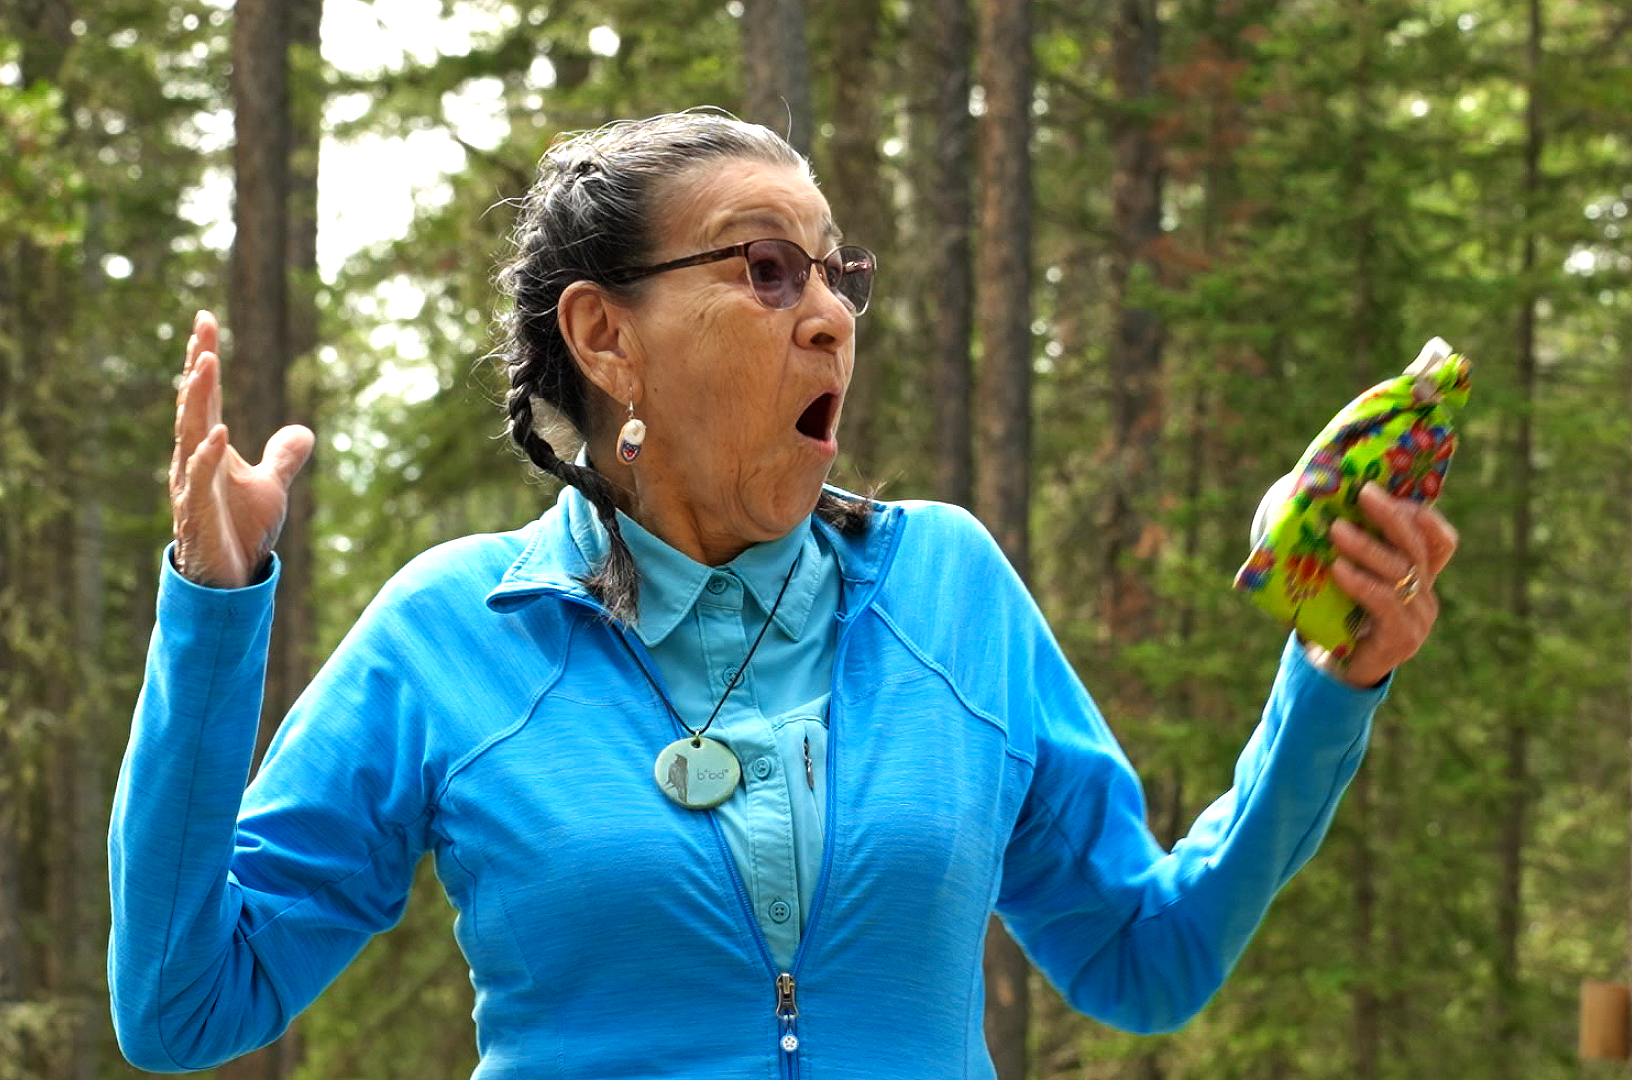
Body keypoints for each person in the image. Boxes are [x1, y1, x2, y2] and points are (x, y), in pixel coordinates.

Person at [109, 111, 1458, 1078]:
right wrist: (212, 610)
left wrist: (1330, 687)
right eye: (764, 269)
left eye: (835, 273)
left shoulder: (948, 590)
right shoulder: (453, 633)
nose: (828, 315)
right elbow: (184, 1007)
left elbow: (1144, 960)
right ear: (604, 336)